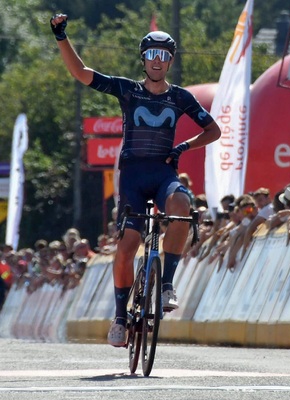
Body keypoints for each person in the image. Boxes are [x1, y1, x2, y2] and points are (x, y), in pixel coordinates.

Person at [50, 14, 221, 347]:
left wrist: (184, 146)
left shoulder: (180, 97)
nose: (158, 61)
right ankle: (118, 317)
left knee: (182, 206)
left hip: (163, 173)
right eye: (152, 55)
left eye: (164, 56)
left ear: (170, 61)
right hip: (131, 177)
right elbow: (82, 73)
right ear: (143, 59)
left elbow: (213, 130)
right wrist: (61, 37)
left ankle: (167, 284)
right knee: (127, 246)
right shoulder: (128, 91)